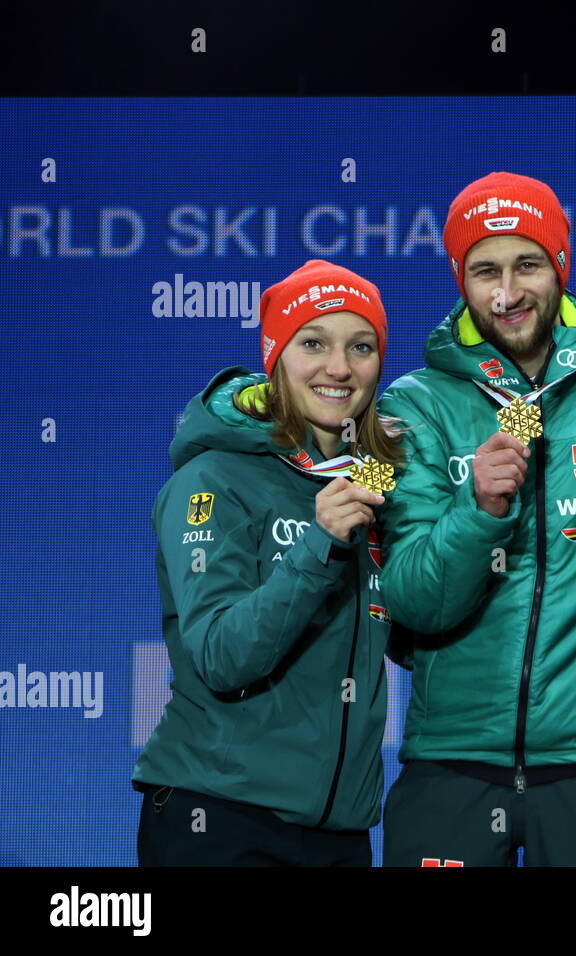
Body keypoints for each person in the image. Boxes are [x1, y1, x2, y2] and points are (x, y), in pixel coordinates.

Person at [378, 172, 576, 867]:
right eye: (484, 271)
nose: (507, 294)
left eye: (527, 265)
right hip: (451, 758)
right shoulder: (414, 402)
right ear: (460, 279)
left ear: (561, 266)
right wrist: (477, 512)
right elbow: (415, 601)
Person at [133, 259, 401, 866]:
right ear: (276, 356)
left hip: (340, 831)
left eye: (361, 346)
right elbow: (224, 658)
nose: (339, 368)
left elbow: (413, 627)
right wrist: (322, 543)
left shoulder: (377, 484)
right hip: (219, 819)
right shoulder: (211, 480)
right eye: (314, 343)